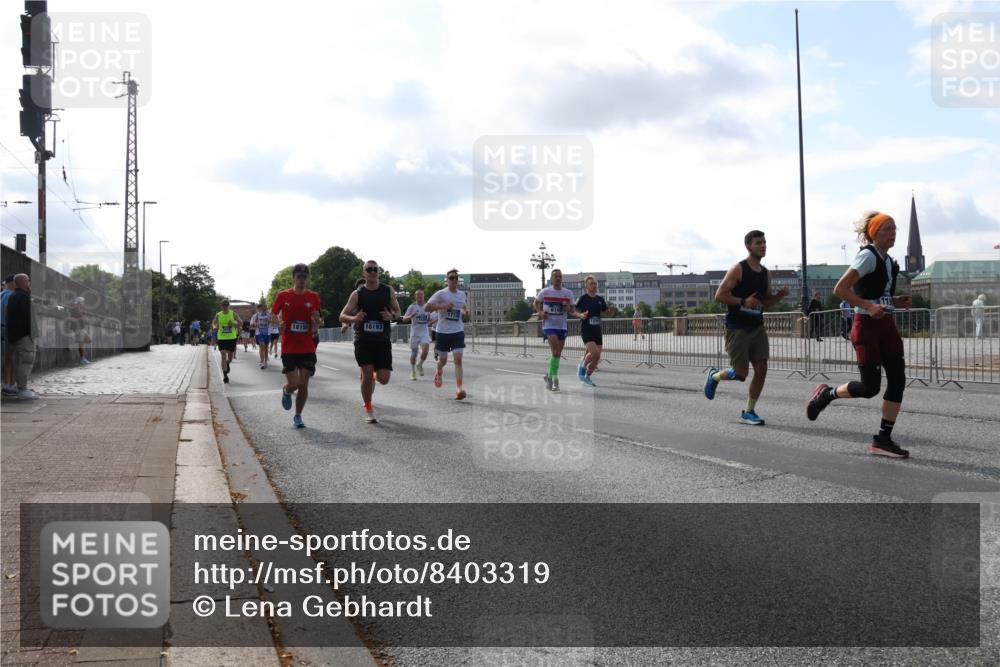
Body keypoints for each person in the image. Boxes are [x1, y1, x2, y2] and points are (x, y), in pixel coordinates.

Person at [806, 211, 913, 458]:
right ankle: (826, 394)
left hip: (886, 325)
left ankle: (883, 440)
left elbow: (876, 294)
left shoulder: (888, 260)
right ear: (874, 233)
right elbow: (840, 289)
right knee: (869, 387)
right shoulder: (868, 256)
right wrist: (868, 306)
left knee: (898, 380)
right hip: (866, 326)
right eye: (886, 229)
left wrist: (895, 300)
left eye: (894, 229)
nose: (892, 233)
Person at [703, 230, 789, 425]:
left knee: (762, 369)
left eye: (764, 242)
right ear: (748, 246)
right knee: (741, 374)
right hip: (738, 327)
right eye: (758, 243)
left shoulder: (766, 273)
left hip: (757, 327)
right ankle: (714, 376)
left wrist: (780, 296)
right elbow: (719, 295)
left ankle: (748, 411)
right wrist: (743, 301)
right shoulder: (738, 269)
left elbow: (765, 303)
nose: (763, 245)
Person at [339, 259, 401, 423]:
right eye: (369, 269)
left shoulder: (388, 290)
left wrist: (391, 316)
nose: (372, 272)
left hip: (382, 340)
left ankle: (373, 374)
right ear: (364, 273)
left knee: (384, 379)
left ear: (378, 272)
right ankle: (368, 408)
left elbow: (398, 311)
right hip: (363, 340)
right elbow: (342, 316)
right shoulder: (357, 294)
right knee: (366, 375)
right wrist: (354, 318)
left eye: (375, 269)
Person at [272, 264, 323, 428]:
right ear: (293, 277)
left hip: (307, 346)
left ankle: (298, 416)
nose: (302, 279)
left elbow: (319, 322)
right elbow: (273, 314)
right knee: (294, 384)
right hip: (289, 347)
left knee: (303, 384)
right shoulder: (283, 295)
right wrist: (279, 323)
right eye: (299, 276)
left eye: (304, 276)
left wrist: (317, 320)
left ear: (307, 278)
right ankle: (287, 391)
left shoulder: (313, 296)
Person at [425, 270, 470, 399]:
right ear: (447, 280)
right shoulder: (441, 294)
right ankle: (439, 370)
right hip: (443, 332)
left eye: (456, 277)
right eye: (451, 277)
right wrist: (443, 306)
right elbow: (427, 307)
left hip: (458, 331)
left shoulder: (462, 294)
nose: (454, 280)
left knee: (458, 360)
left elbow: (463, 308)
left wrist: (466, 312)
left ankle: (459, 389)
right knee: (443, 361)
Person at [534, 269, 579, 392]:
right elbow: (535, 303)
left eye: (560, 276)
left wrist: (570, 309)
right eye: (556, 276)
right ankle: (555, 380)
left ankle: (548, 376)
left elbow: (572, 310)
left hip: (562, 326)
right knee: (555, 351)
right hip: (549, 325)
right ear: (551, 279)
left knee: (557, 354)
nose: (558, 278)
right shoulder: (545, 291)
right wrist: (540, 312)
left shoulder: (568, 293)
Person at [576, 275, 616, 386]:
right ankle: (582, 366)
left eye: (595, 284)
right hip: (586, 329)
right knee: (594, 353)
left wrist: (611, 311)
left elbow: (606, 313)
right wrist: (580, 315)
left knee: (597, 357)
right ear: (586, 286)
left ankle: (587, 377)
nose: (594, 286)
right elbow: (574, 311)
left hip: (597, 329)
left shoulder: (600, 299)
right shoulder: (582, 299)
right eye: (591, 284)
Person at [6, 274, 38, 400]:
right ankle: (22, 389)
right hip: (24, 336)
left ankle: (20, 387)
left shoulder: (14, 295)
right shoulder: (23, 297)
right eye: (29, 281)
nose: (30, 283)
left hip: (16, 336)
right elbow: (28, 319)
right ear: (25, 283)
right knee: (25, 361)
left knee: (19, 362)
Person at [401, 289, 431, 380]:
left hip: (424, 332)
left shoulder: (427, 306)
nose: (420, 296)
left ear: (423, 296)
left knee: (425, 351)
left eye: (421, 294)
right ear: (415, 297)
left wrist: (430, 319)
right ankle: (413, 371)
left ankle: (420, 364)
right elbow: (404, 319)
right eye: (418, 295)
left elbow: (428, 319)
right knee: (414, 353)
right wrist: (411, 316)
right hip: (415, 333)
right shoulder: (412, 307)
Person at [212, 300, 242, 384]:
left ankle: (228, 363)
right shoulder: (218, 314)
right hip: (221, 338)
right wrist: (214, 327)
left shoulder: (233, 314)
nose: (225, 307)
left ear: (229, 306)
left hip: (232, 338)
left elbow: (241, 323)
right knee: (223, 355)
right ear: (221, 306)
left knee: (230, 357)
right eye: (223, 305)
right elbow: (214, 322)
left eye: (226, 305)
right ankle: (225, 375)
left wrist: (233, 324)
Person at [2, 274, 18, 394]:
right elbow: (10, 312)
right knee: (10, 358)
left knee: (8, 358)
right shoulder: (10, 295)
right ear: (12, 283)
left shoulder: (2, 294)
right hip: (7, 328)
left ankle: (9, 384)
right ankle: (8, 384)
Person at [250, 302, 273, 369]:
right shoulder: (256, 315)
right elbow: (251, 324)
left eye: (264, 307)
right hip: (259, 333)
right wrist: (255, 324)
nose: (263, 308)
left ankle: (265, 361)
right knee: (262, 347)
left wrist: (270, 321)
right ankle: (262, 362)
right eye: (261, 307)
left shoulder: (269, 314)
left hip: (267, 333)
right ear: (259, 308)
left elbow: (274, 322)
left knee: (266, 348)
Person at [68, 297, 90, 364]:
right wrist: (80, 318)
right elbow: (71, 319)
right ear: (79, 303)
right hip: (78, 328)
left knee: (88, 340)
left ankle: (75, 342)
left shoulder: (80, 309)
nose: (84, 303)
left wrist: (83, 317)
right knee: (81, 343)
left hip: (82, 328)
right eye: (83, 302)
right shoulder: (74, 309)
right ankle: (82, 359)